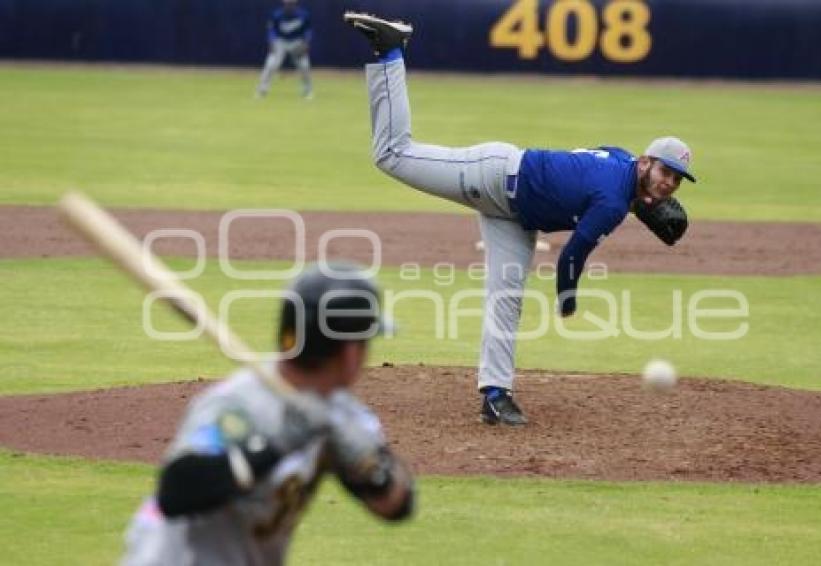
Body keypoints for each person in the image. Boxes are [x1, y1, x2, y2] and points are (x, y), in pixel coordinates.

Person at [343, 12, 695, 426]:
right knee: (392, 155)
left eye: (676, 178)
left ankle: (495, 395)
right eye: (664, 172)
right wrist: (567, 299)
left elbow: (600, 162)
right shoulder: (613, 204)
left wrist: (640, 200)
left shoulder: (620, 160)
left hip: (515, 217)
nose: (670, 183)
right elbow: (572, 256)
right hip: (493, 176)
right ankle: (389, 50)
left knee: (505, 300)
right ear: (646, 162)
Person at [122, 264, 415, 566]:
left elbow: (397, 507)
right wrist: (275, 445)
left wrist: (373, 471)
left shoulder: (341, 414)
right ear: (351, 351)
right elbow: (176, 492)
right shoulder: (238, 404)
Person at [256, 0, 313, 99]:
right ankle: (262, 90)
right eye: (287, 3)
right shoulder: (277, 15)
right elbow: (271, 30)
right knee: (271, 65)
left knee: (304, 66)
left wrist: (306, 43)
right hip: (280, 42)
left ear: (295, 4)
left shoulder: (303, 15)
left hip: (297, 42)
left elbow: (308, 31)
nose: (289, 5)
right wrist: (271, 41)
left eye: (291, 3)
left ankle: (307, 91)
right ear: (284, 4)